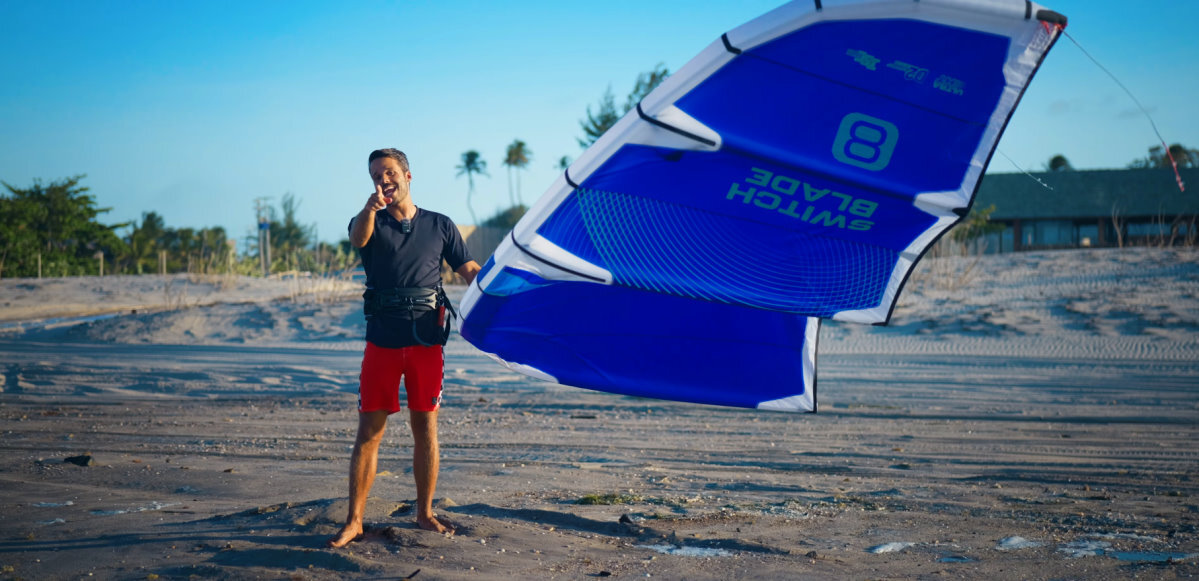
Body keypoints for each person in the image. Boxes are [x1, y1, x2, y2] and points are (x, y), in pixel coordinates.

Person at [328, 148, 481, 548]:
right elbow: (356, 239)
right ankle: (355, 520)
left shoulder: (440, 225)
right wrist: (369, 208)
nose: (384, 180)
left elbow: (471, 273)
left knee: (425, 428)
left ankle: (425, 513)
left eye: (390, 172)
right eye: (377, 175)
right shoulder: (369, 221)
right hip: (382, 341)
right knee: (369, 432)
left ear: (408, 176)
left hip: (426, 343)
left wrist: (508, 289)